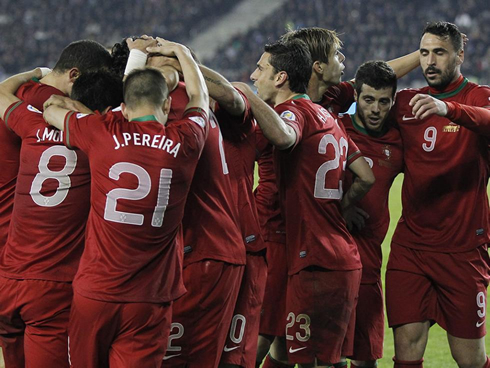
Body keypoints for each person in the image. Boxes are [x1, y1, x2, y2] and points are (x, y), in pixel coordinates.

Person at [43, 38, 209, 368]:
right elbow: (199, 98)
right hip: (149, 301)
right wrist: (184, 54)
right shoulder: (187, 140)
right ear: (165, 107)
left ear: (126, 106)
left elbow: (50, 109)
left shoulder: (101, 131)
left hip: (96, 292)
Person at [234, 38, 374, 368]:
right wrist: (338, 205)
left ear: (281, 76)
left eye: (260, 69)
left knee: (272, 341)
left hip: (297, 247)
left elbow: (284, 136)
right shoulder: (327, 115)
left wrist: (246, 98)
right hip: (326, 248)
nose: (254, 76)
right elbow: (365, 176)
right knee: (289, 345)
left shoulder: (291, 114)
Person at [0, 39, 112, 368]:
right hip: (44, 261)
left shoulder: (20, 105)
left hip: (11, 266)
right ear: (75, 77)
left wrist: (33, 72)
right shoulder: (73, 117)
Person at [385, 21, 490, 368]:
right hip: (410, 250)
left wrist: (449, 109)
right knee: (406, 352)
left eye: (440, 53)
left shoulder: (477, 96)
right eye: (425, 53)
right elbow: (366, 82)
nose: (431, 61)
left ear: (460, 55)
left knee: (470, 359)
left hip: (461, 252)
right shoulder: (407, 103)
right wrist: (415, 58)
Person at [338, 61, 403, 368]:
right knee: (319, 354)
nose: (376, 109)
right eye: (368, 100)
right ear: (355, 96)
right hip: (330, 261)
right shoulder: (335, 130)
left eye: (384, 101)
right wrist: (344, 204)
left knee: (365, 358)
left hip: (370, 265)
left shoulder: (399, 142)